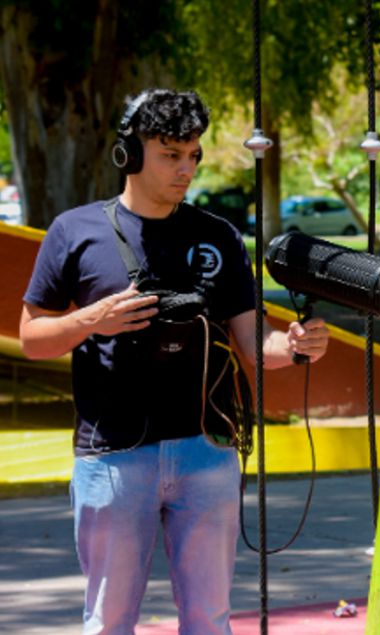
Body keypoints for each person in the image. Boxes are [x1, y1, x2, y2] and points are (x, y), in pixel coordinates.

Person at [19, 88, 330, 634]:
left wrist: (297, 345)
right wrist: (92, 320)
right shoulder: (74, 231)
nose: (186, 169)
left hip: (206, 452)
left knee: (209, 620)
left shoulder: (218, 237)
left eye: (193, 155)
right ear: (129, 153)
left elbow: (255, 345)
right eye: (170, 155)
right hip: (112, 456)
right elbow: (32, 338)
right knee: (109, 622)